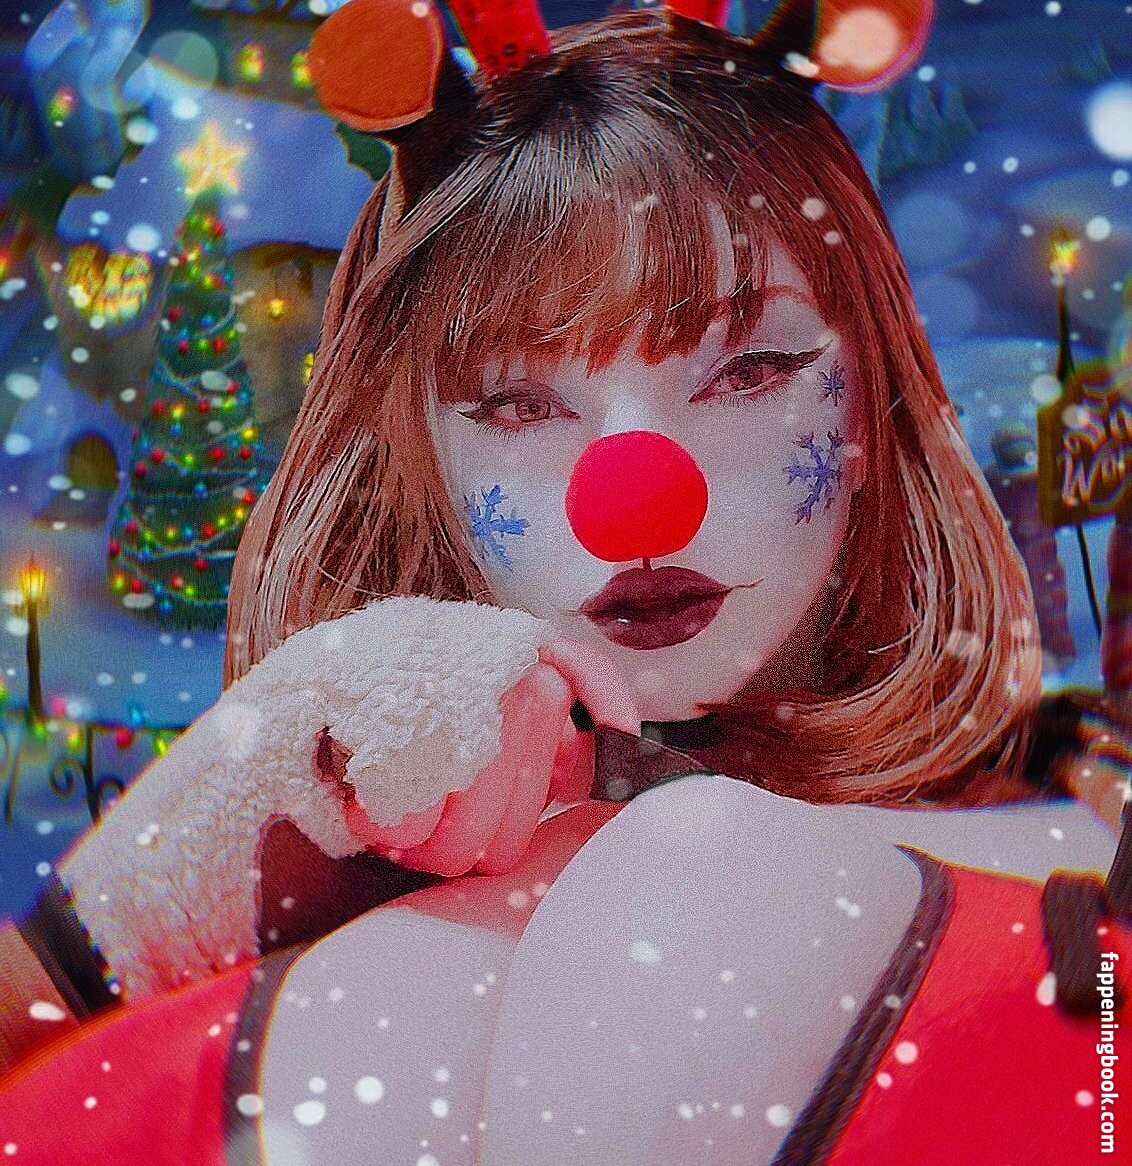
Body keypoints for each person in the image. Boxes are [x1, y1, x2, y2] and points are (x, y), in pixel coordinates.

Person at [1, 2, 1129, 1161]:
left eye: (749, 370)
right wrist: (130, 903)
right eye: (517, 404)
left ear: (869, 407)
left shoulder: (1074, 822)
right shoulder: (330, 869)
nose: (635, 497)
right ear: (418, 459)